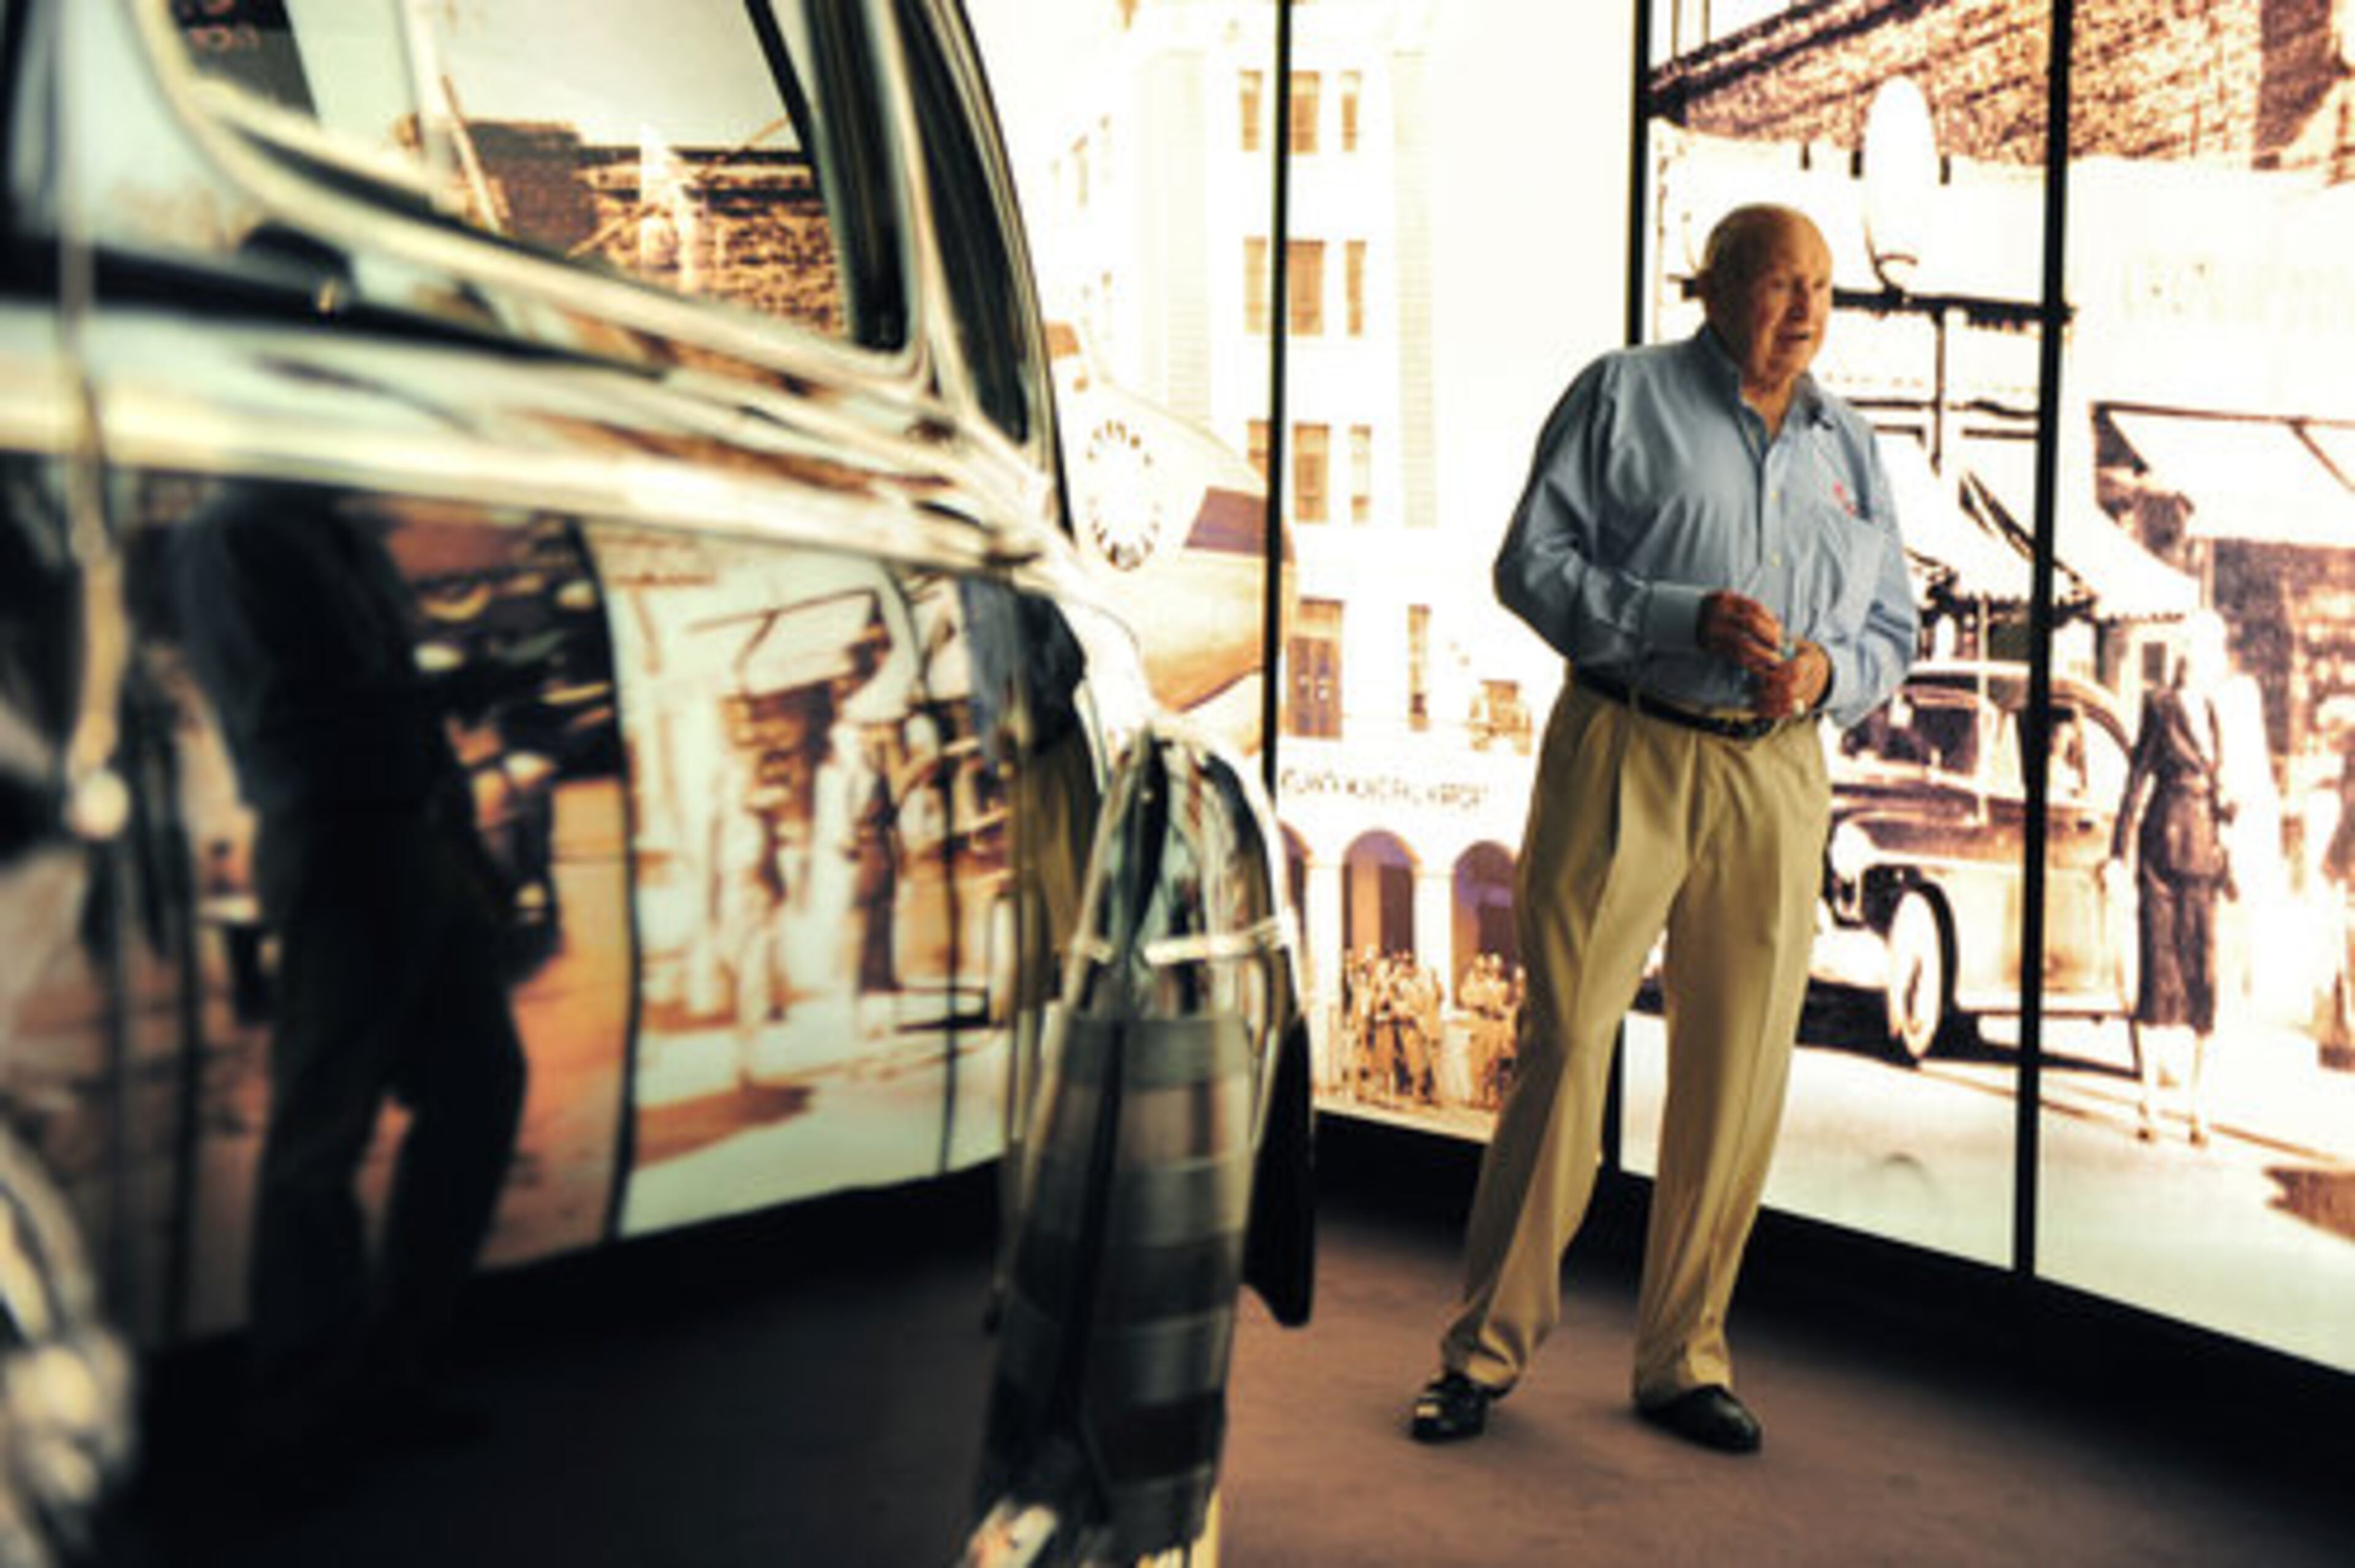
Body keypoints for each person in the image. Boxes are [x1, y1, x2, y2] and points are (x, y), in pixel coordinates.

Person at [1409, 204, 1917, 1455]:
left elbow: (1893, 629)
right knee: (1572, 1044)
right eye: (1778, 284)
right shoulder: (1622, 397)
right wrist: (1677, 616)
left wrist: (1824, 674)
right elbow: (1530, 564)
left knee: (1736, 1075)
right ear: (1716, 287)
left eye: (1821, 290)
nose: (1802, 312)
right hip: (1624, 744)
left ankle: (1684, 1358)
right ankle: (1480, 1353)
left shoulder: (1851, 444)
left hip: (1776, 777)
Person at [174, 481, 529, 1486]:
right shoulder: (236, 536)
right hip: (336, 837)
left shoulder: (331, 532)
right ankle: (301, 1401)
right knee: (323, 1122)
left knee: (477, 1089)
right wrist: (444, 700)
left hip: (410, 830)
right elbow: (285, 715)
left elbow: (385, 702)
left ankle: (383, 1367)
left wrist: (465, 842)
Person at [2107, 612, 2235, 1146]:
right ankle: (2152, 1105)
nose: (2205, 657)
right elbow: (2138, 778)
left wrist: (2228, 813)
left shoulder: (2211, 709)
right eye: (2202, 647)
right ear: (2187, 653)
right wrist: (2119, 850)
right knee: (2158, 975)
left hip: (2205, 857)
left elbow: (2218, 782)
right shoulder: (2160, 705)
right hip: (2162, 852)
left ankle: (2199, 1108)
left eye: (2212, 649)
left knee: (2204, 978)